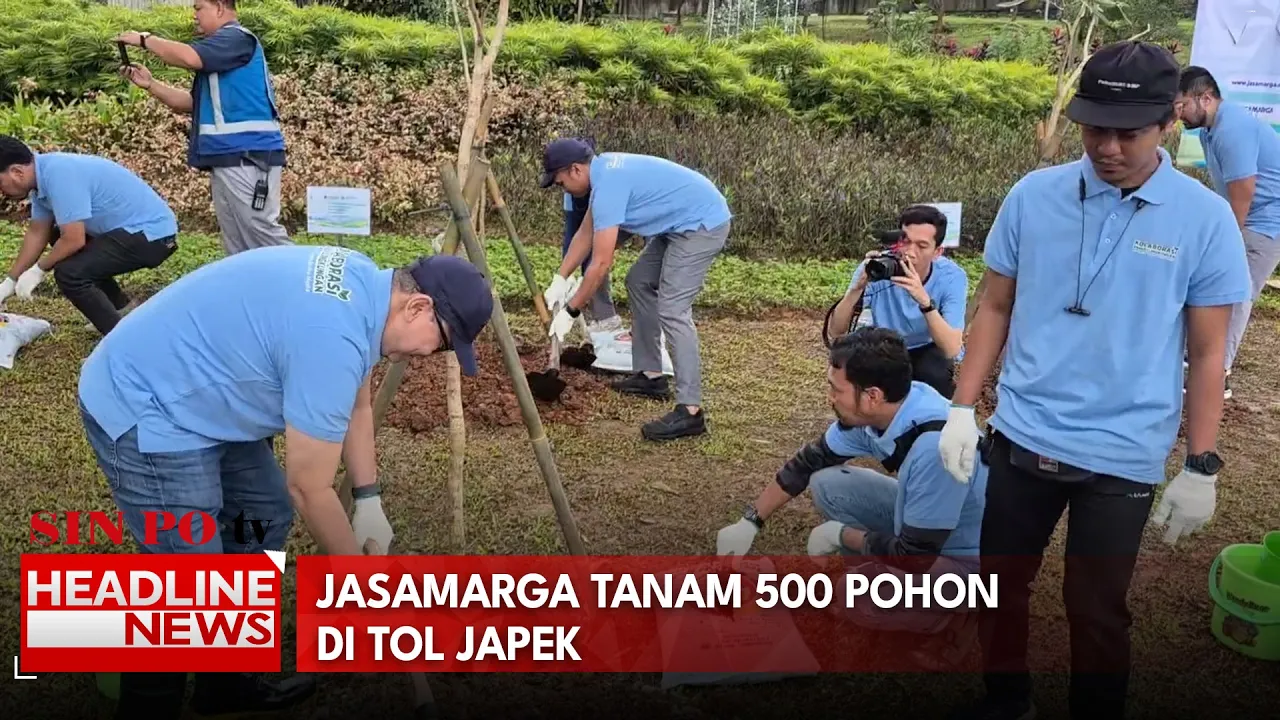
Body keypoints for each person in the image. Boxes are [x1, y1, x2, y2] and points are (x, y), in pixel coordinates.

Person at [936, 42, 1252, 720]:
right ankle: (1006, 698)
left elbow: (1206, 351)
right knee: (999, 586)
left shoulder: (1203, 220)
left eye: (1127, 132)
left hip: (1123, 448)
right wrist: (963, 408)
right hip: (1023, 432)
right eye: (1094, 127)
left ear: (1168, 122)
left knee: (1097, 609)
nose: (1107, 146)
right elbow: (994, 306)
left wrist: (1200, 464)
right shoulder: (1035, 195)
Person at [77, 245, 494, 718]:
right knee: (186, 576)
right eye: (440, 342)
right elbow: (309, 489)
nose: (430, 355)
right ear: (417, 307)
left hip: (207, 394)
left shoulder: (366, 291)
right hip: (147, 399)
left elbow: (357, 400)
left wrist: (367, 499)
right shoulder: (331, 336)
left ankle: (225, 684)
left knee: (262, 510)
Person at [715, 327, 986, 666]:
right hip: (930, 528)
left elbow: (915, 557)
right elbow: (809, 462)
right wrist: (750, 521)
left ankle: (956, 613)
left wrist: (841, 536)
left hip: (970, 561)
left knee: (854, 597)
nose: (830, 396)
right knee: (829, 484)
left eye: (835, 388)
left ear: (871, 394)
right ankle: (887, 581)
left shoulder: (934, 448)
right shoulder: (890, 408)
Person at [539, 138, 732, 441]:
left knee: (673, 309)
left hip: (702, 224)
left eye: (561, 183)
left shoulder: (608, 188)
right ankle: (651, 375)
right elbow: (585, 234)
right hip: (678, 223)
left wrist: (571, 309)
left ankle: (691, 410)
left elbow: (601, 264)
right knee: (638, 281)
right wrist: (559, 278)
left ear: (575, 170)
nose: (563, 189)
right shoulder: (603, 174)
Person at [116, 0, 291, 255]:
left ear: (220, 7)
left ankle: (304, 286)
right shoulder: (221, 54)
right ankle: (251, 293)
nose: (194, 15)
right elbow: (191, 104)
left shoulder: (235, 39)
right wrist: (150, 85)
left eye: (199, 8)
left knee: (261, 232)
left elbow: (189, 56)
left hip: (249, 156)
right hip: (228, 158)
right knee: (238, 244)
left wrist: (144, 39)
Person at [0, 136, 178, 335]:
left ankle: (122, 341)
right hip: (129, 234)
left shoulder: (59, 174)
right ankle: (121, 311)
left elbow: (74, 240)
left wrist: (39, 270)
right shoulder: (41, 182)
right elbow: (37, 233)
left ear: (16, 172)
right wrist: (9, 282)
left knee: (70, 274)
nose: (1, 190)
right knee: (57, 235)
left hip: (153, 236)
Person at [1175, 66, 1280, 399]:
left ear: (1205, 98)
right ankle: (1197, 361)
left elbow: (1243, 190)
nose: (1178, 115)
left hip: (1267, 222)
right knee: (1212, 285)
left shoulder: (1231, 127)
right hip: (1251, 216)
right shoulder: (1210, 129)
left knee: (1237, 291)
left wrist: (1227, 240)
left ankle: (1218, 374)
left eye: (1182, 105)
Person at [828, 204, 968, 398]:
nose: (910, 252)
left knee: (934, 377)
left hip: (926, 346)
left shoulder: (952, 277)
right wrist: (855, 291)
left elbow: (952, 348)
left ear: (937, 252)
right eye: (906, 241)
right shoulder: (879, 268)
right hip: (885, 344)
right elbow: (836, 332)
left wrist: (924, 301)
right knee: (861, 381)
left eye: (922, 246)